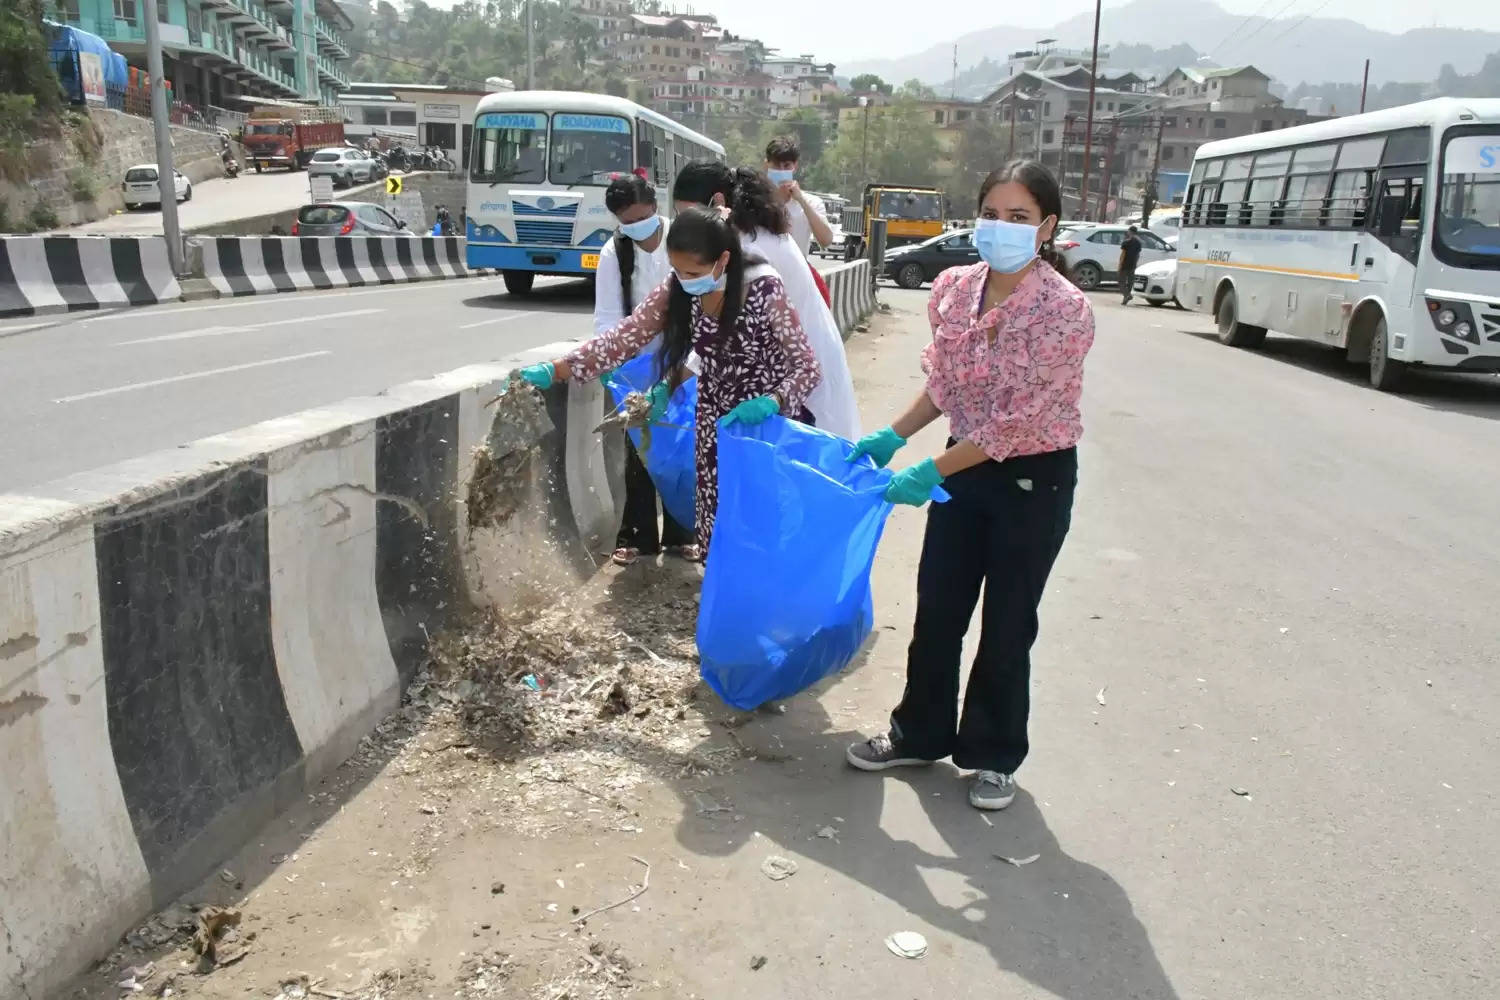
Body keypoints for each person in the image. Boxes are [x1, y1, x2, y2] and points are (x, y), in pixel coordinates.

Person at [844, 160, 1095, 812]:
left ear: (1047, 228)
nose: (1001, 228)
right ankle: (918, 732)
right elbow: (948, 386)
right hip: (963, 466)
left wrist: (930, 472)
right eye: (992, 214)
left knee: (1008, 625)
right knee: (939, 611)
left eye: (1019, 217)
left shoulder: (1065, 311)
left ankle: (993, 753)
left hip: (1032, 481)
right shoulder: (953, 288)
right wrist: (894, 437)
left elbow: (1017, 422)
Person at [508, 208, 822, 554]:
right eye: (677, 270)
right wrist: (557, 369)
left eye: (694, 272)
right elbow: (627, 335)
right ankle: (720, 600)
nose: (686, 280)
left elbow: (807, 366)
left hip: (768, 424)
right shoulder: (680, 287)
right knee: (718, 519)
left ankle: (764, 603)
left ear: (723, 260)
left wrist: (772, 402)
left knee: (765, 521)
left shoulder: (763, 287)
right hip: (715, 420)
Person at [672, 162, 860, 442]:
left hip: (804, 372)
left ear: (718, 203)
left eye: (688, 215)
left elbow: (724, 328)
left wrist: (676, 381)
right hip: (797, 365)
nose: (685, 227)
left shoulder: (746, 247)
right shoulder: (748, 234)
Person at [593, 175, 696, 565]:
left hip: (683, 360)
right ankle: (636, 535)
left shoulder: (681, 238)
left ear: (656, 206)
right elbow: (607, 317)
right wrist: (609, 361)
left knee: (681, 444)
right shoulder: (614, 253)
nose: (637, 227)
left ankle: (681, 534)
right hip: (635, 365)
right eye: (627, 221)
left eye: (642, 216)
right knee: (638, 447)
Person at [765, 135, 832, 257]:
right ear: (766, 165)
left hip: (794, 274)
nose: (781, 171)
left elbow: (826, 241)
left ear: (795, 166)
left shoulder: (811, 202)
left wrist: (801, 200)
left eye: (786, 166)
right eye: (776, 165)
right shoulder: (757, 199)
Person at [1119, 225, 1142, 304]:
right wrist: (1135, 263)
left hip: (1125, 265)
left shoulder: (1126, 242)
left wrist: (1120, 265)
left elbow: (1123, 254)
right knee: (1130, 282)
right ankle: (1126, 298)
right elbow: (1138, 255)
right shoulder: (1139, 242)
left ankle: (1127, 295)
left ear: (1130, 232)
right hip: (1132, 265)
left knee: (1121, 281)